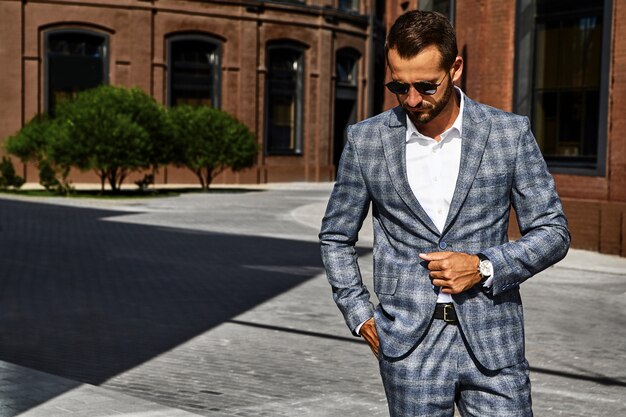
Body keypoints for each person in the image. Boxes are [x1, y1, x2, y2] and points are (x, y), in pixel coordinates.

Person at [319, 10, 570, 417]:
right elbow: (335, 236)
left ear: (455, 68)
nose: (412, 100)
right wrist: (359, 314)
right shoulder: (366, 141)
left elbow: (553, 231)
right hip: (408, 349)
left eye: (425, 85)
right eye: (399, 86)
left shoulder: (509, 134)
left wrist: (484, 265)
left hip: (494, 344)